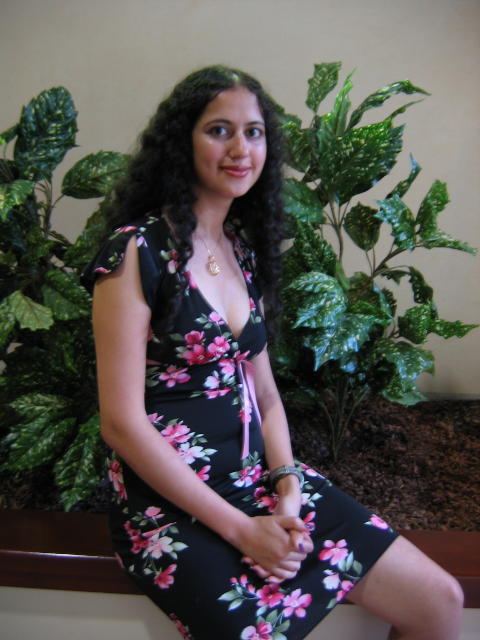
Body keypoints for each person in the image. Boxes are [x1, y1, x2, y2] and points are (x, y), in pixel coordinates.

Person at [83, 65, 463, 640]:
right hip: (170, 501)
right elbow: (121, 423)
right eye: (219, 130)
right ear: (182, 141)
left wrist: (287, 485)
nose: (241, 149)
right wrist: (242, 530)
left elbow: (264, 393)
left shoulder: (242, 250)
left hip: (258, 477)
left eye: (254, 132)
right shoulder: (137, 252)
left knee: (439, 602)